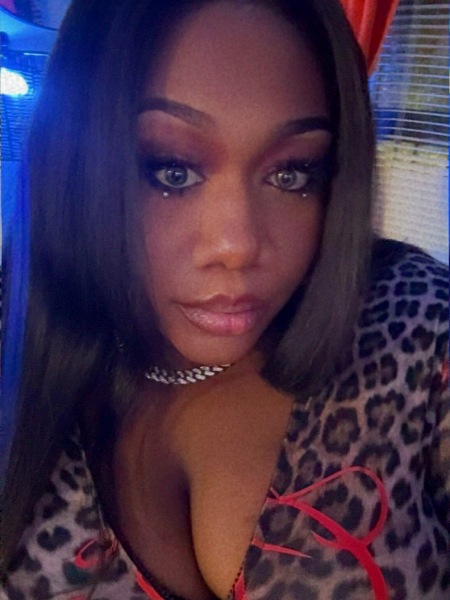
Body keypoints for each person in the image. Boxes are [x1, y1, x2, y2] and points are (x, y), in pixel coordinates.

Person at [1, 0, 448, 599]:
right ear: (75, 166)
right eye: (171, 171)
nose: (236, 246)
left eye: (292, 173)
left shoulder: (417, 330)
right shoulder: (15, 338)